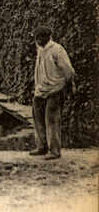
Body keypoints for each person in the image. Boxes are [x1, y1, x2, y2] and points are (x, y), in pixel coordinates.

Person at [29, 26, 76, 160]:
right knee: (38, 117)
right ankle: (42, 147)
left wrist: (68, 86)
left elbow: (68, 71)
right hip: (40, 90)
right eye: (36, 38)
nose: (37, 40)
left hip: (55, 89)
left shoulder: (57, 50)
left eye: (39, 38)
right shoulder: (40, 49)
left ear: (47, 37)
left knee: (52, 119)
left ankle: (54, 151)